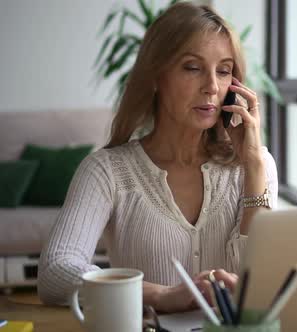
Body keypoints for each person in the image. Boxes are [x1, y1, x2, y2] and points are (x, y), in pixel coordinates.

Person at [38, 2, 278, 313]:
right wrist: (160, 295)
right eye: (192, 67)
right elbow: (56, 271)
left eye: (224, 70)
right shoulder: (107, 170)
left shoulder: (255, 167)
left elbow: (262, 282)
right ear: (155, 76)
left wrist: (254, 164)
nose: (212, 86)